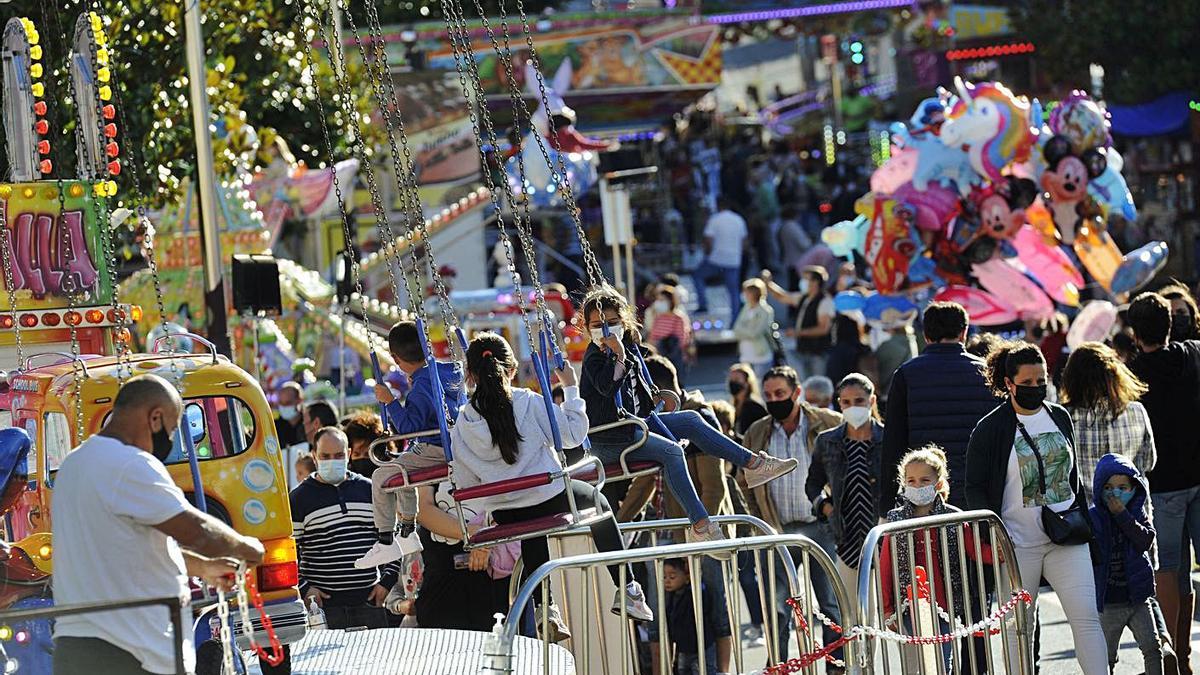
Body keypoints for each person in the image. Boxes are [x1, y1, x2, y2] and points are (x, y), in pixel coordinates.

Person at [52, 375, 265, 675]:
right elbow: (198, 531)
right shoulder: (130, 463)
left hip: (76, 647)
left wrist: (203, 568)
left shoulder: (74, 464)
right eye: (173, 428)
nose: (171, 438)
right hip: (131, 651)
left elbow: (121, 550)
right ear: (155, 417)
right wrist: (249, 548)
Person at [449, 333, 653, 640]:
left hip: (505, 512)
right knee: (597, 502)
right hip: (547, 497)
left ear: (470, 375)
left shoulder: (463, 422)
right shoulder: (527, 402)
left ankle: (546, 609)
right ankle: (628, 588)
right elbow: (572, 435)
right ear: (512, 369)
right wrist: (571, 388)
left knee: (531, 527)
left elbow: (465, 481)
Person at [579, 286, 799, 552]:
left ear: (623, 323)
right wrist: (620, 357)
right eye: (597, 325)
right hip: (610, 437)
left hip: (632, 426)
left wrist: (636, 362)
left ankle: (752, 464)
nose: (605, 331)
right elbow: (607, 387)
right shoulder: (595, 356)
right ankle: (700, 525)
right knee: (672, 452)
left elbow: (637, 394)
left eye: (612, 323)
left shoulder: (625, 348)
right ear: (587, 327)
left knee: (692, 419)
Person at [964, 341, 1107, 674]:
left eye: (1041, 381)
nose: (1036, 388)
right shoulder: (990, 429)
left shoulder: (1059, 416)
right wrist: (993, 536)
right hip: (1016, 547)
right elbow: (974, 487)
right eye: (1027, 383)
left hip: (1067, 537)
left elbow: (1073, 477)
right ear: (1009, 384)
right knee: (1019, 631)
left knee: (1086, 619)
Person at [737, 365, 845, 667]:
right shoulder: (757, 432)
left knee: (830, 606)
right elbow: (743, 481)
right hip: (778, 531)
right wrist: (759, 520)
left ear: (797, 393)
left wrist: (838, 511)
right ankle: (779, 666)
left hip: (821, 529)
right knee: (778, 609)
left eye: (781, 394)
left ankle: (836, 666)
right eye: (769, 395)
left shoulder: (828, 423)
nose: (774, 400)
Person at [1125, 291, 1200, 666]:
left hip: (1163, 483)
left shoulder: (1132, 376)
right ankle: (1182, 657)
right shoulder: (1194, 355)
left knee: (1169, 572)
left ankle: (1176, 658)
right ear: (1171, 324)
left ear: (1135, 333)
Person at [356, 320, 466, 568]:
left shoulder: (420, 389)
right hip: (454, 443)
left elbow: (408, 429)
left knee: (381, 477)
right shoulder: (450, 372)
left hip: (437, 448)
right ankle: (408, 532)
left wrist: (390, 401)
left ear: (396, 358)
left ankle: (385, 540)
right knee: (402, 468)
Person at [880, 446, 990, 673]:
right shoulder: (895, 519)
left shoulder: (953, 516)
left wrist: (998, 551)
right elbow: (885, 567)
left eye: (924, 480)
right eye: (911, 480)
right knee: (913, 666)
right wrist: (887, 608)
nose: (917, 485)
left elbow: (974, 549)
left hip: (945, 605)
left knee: (942, 664)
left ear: (938, 483)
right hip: (907, 609)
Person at [882, 301, 998, 512]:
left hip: (923, 492)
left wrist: (886, 506)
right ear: (964, 333)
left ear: (925, 335)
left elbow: (893, 443)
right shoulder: (986, 374)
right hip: (977, 490)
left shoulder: (907, 374)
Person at [291, 427, 398, 629]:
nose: (332, 461)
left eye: (338, 455)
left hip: (370, 602)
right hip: (324, 608)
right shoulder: (298, 499)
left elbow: (392, 537)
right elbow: (289, 552)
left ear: (349, 455)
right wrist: (305, 589)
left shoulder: (369, 489)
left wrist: (387, 581)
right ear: (314, 456)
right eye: (325, 456)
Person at [807, 374, 885, 594]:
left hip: (883, 535)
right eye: (846, 402)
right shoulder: (827, 441)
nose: (852, 407)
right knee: (852, 612)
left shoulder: (887, 439)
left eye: (859, 401)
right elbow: (813, 483)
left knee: (888, 611)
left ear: (871, 401)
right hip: (846, 537)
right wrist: (824, 506)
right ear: (839, 403)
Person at [1089, 454, 1164, 675]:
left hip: (1138, 598)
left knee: (1152, 647)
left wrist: (1123, 516)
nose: (1115, 493)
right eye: (1109, 487)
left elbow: (1145, 540)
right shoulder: (1095, 518)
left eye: (1123, 487)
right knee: (1106, 657)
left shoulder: (1137, 513)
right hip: (1110, 602)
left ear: (1134, 489)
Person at [1059, 342, 1156, 499]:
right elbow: (1148, 462)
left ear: (1071, 378)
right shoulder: (1136, 411)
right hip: (1132, 513)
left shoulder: (1063, 417)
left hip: (1086, 516)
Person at [649, 558, 733, 675]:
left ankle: (723, 671)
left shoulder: (697, 592)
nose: (667, 581)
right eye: (664, 577)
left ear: (687, 576)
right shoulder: (672, 598)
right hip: (683, 649)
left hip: (703, 647)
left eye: (672, 577)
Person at [764, 266, 833, 380]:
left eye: (806, 279)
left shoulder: (825, 301)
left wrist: (798, 332)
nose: (803, 282)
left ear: (815, 282)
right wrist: (768, 283)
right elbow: (783, 297)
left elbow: (823, 329)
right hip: (803, 350)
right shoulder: (804, 298)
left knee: (818, 384)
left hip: (818, 353)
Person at [692, 197, 748, 319]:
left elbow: (708, 240)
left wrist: (707, 254)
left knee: (697, 276)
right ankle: (735, 319)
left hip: (716, 259)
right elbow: (744, 242)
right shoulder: (739, 219)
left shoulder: (714, 220)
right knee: (733, 291)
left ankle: (703, 305)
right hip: (733, 260)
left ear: (718, 206)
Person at [732, 279, 776, 381]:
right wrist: (746, 330)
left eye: (747, 292)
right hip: (745, 354)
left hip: (761, 354)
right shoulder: (746, 308)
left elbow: (755, 333)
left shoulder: (766, 311)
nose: (744, 294)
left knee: (761, 384)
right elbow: (736, 328)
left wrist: (743, 331)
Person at [647, 285, 695, 377]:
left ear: (671, 301)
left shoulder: (679, 318)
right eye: (658, 300)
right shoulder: (658, 317)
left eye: (662, 300)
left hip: (674, 357)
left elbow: (681, 340)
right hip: (659, 356)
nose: (659, 303)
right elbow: (652, 336)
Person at [873, 322, 918, 408]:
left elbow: (875, 362)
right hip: (907, 392)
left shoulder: (887, 346)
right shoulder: (912, 343)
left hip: (888, 393)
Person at [727, 363, 768, 438]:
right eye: (731, 379)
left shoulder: (755, 406)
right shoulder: (734, 405)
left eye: (737, 379)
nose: (732, 382)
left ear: (747, 382)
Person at [343, 410, 386, 479]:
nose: (362, 459)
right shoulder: (346, 480)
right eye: (356, 454)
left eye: (367, 455)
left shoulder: (389, 476)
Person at [274, 382, 305, 447]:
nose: (284, 406)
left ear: (299, 400)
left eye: (288, 403)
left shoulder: (308, 424)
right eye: (281, 403)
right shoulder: (274, 426)